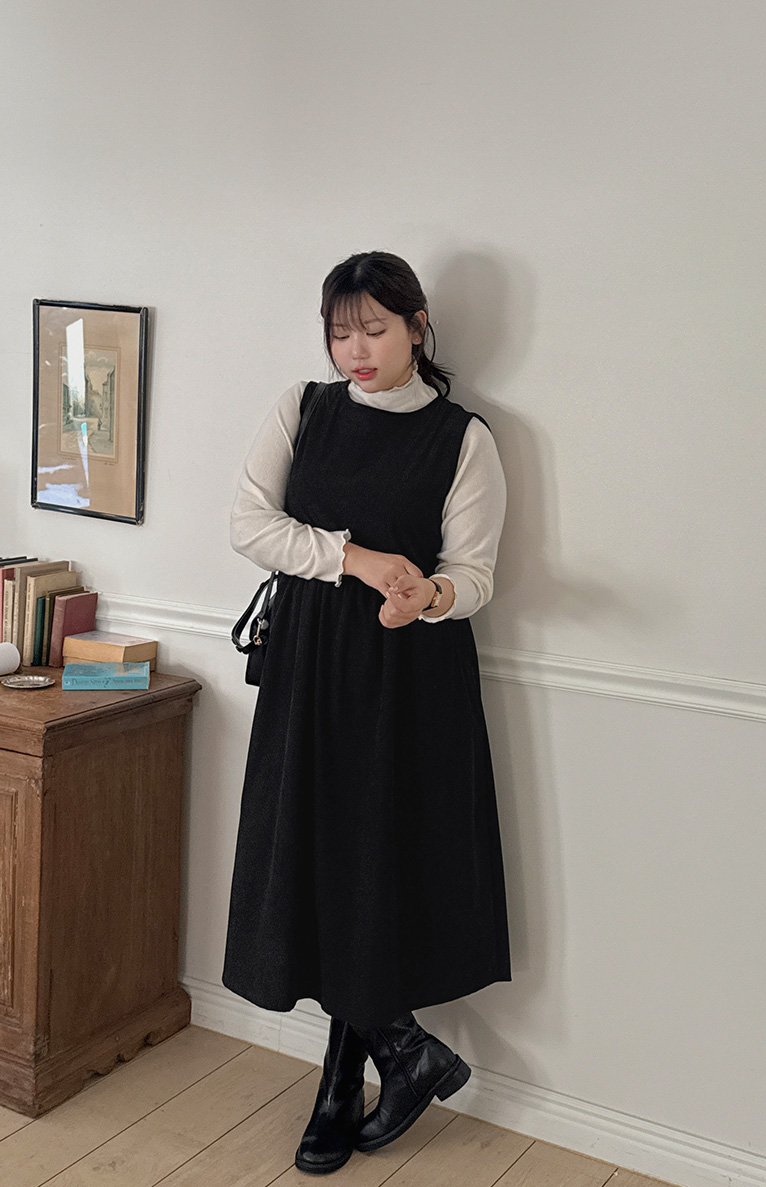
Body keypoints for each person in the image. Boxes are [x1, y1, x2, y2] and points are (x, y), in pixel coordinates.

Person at [222, 251, 511, 1175]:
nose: (356, 350)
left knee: (371, 867)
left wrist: (428, 594)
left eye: (375, 330)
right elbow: (249, 524)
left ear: (418, 326)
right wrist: (357, 559)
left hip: (407, 676)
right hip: (308, 666)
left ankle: (346, 1084)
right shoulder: (303, 409)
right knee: (313, 859)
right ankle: (391, 1053)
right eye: (341, 332)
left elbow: (476, 574)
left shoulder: (464, 438)